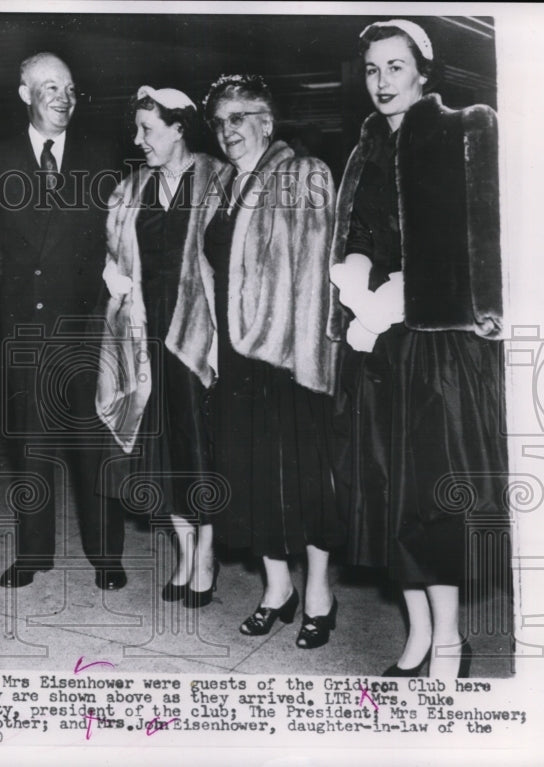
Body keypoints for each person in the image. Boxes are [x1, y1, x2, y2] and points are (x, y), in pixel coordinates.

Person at [328, 20, 506, 676]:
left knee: (431, 498)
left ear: (424, 73)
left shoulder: (462, 130)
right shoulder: (367, 146)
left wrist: (400, 295)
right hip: (378, 346)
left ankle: (451, 642)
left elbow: (477, 240)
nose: (381, 82)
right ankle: (419, 635)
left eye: (395, 67)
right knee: (385, 492)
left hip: (436, 347)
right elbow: (361, 232)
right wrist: (355, 280)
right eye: (372, 69)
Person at [0, 53, 125, 591]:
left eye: (70, 89)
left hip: (86, 323)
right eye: (51, 88)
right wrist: (25, 295)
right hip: (28, 324)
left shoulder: (100, 158)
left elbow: (113, 240)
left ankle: (106, 554)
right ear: (25, 94)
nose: (64, 98)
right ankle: (33, 553)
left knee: (93, 443)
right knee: (31, 446)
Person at [199, 75, 342, 646]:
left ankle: (319, 595)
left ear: (267, 121)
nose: (227, 130)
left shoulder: (303, 173)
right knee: (254, 480)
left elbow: (317, 278)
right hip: (237, 364)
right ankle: (277, 589)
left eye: (238, 118)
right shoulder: (222, 184)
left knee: (306, 481)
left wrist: (308, 362)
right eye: (219, 121)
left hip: (288, 360)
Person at [97, 85, 225, 608]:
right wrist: (110, 271)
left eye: (148, 129)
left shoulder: (221, 181)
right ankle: (186, 549)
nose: (138, 139)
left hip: (201, 336)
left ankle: (207, 553)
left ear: (178, 129)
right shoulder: (131, 190)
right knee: (163, 449)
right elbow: (115, 253)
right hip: (148, 335)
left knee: (202, 448)